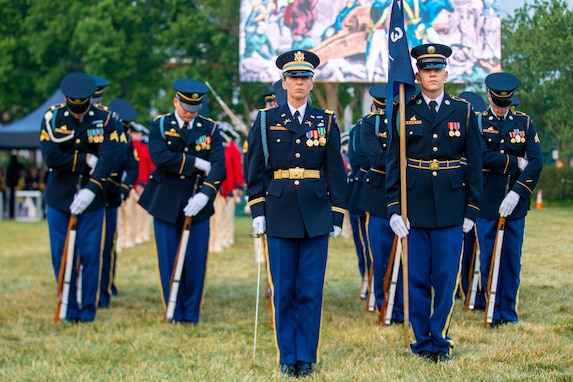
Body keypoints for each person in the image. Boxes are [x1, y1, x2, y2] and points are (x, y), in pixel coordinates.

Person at [247, 49, 347, 377]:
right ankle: (287, 356)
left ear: (312, 82)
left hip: (316, 213)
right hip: (278, 212)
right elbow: (256, 171)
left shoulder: (326, 120)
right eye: (293, 77)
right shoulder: (265, 120)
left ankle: (306, 355)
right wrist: (258, 210)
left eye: (305, 77)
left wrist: (336, 214)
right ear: (284, 82)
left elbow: (336, 171)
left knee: (310, 290)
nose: (299, 82)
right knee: (284, 289)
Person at [385, 44, 482, 362]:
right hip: (415, 205)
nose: (432, 75)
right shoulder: (404, 111)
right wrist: (393, 208)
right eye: (426, 70)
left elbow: (476, 163)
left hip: (453, 205)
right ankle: (421, 338)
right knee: (415, 278)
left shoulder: (463, 111)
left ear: (446, 74)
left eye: (437, 70)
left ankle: (439, 340)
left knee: (444, 277)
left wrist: (472, 208)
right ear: (417, 75)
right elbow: (393, 164)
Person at [138, 78, 226, 324]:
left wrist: (205, 194)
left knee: (196, 260)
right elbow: (160, 157)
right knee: (168, 258)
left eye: (194, 110)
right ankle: (173, 310)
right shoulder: (160, 125)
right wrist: (195, 163)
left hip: (197, 198)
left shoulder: (210, 129)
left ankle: (191, 313)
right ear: (176, 101)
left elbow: (219, 167)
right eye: (186, 108)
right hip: (165, 200)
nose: (189, 114)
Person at [40, 72, 123, 322]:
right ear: (66, 99)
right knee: (61, 254)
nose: (78, 114)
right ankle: (67, 306)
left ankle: (87, 310)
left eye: (82, 108)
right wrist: (85, 159)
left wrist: (91, 188)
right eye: (74, 108)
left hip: (93, 197)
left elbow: (112, 157)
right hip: (59, 196)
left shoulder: (107, 119)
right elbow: (50, 157)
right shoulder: (53, 117)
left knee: (89, 254)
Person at [476, 72, 543, 328]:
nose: (501, 109)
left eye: (505, 104)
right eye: (497, 103)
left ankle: (508, 312)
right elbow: (481, 156)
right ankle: (491, 310)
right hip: (488, 201)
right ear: (490, 97)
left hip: (515, 203)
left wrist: (518, 192)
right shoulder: (479, 122)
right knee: (489, 258)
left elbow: (536, 161)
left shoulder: (524, 123)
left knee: (511, 260)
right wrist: (515, 161)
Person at [357, 84, 403, 322]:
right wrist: (407, 162)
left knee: (408, 257)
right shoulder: (370, 124)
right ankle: (384, 305)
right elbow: (376, 157)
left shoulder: (406, 121)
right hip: (378, 198)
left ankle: (403, 307)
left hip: (408, 195)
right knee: (381, 254)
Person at [99, 97, 139, 307]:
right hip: (92, 194)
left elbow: (132, 167)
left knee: (108, 245)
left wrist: (123, 189)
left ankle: (107, 285)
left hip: (112, 196)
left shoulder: (126, 139)